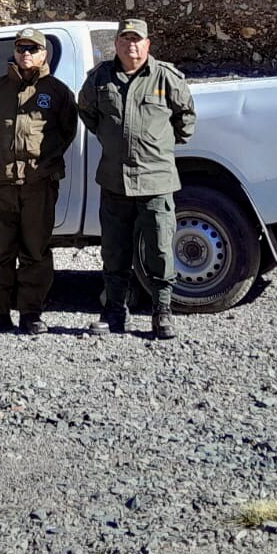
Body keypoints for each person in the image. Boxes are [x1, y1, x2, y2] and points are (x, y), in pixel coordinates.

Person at [78, 18, 196, 341]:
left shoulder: (165, 78)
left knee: (159, 248)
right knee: (114, 249)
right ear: (116, 44)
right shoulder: (100, 79)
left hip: (155, 181)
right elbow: (87, 112)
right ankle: (115, 312)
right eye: (125, 39)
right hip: (115, 181)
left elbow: (186, 118)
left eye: (137, 40)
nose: (132, 45)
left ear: (148, 44)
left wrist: (160, 147)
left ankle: (162, 313)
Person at [0, 27, 78, 337]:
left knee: (35, 250)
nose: (26, 54)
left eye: (33, 49)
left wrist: (44, 165)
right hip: (3, 184)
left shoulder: (57, 92)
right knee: (1, 250)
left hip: (38, 185)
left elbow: (67, 132)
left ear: (44, 54)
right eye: (21, 48)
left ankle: (32, 314)